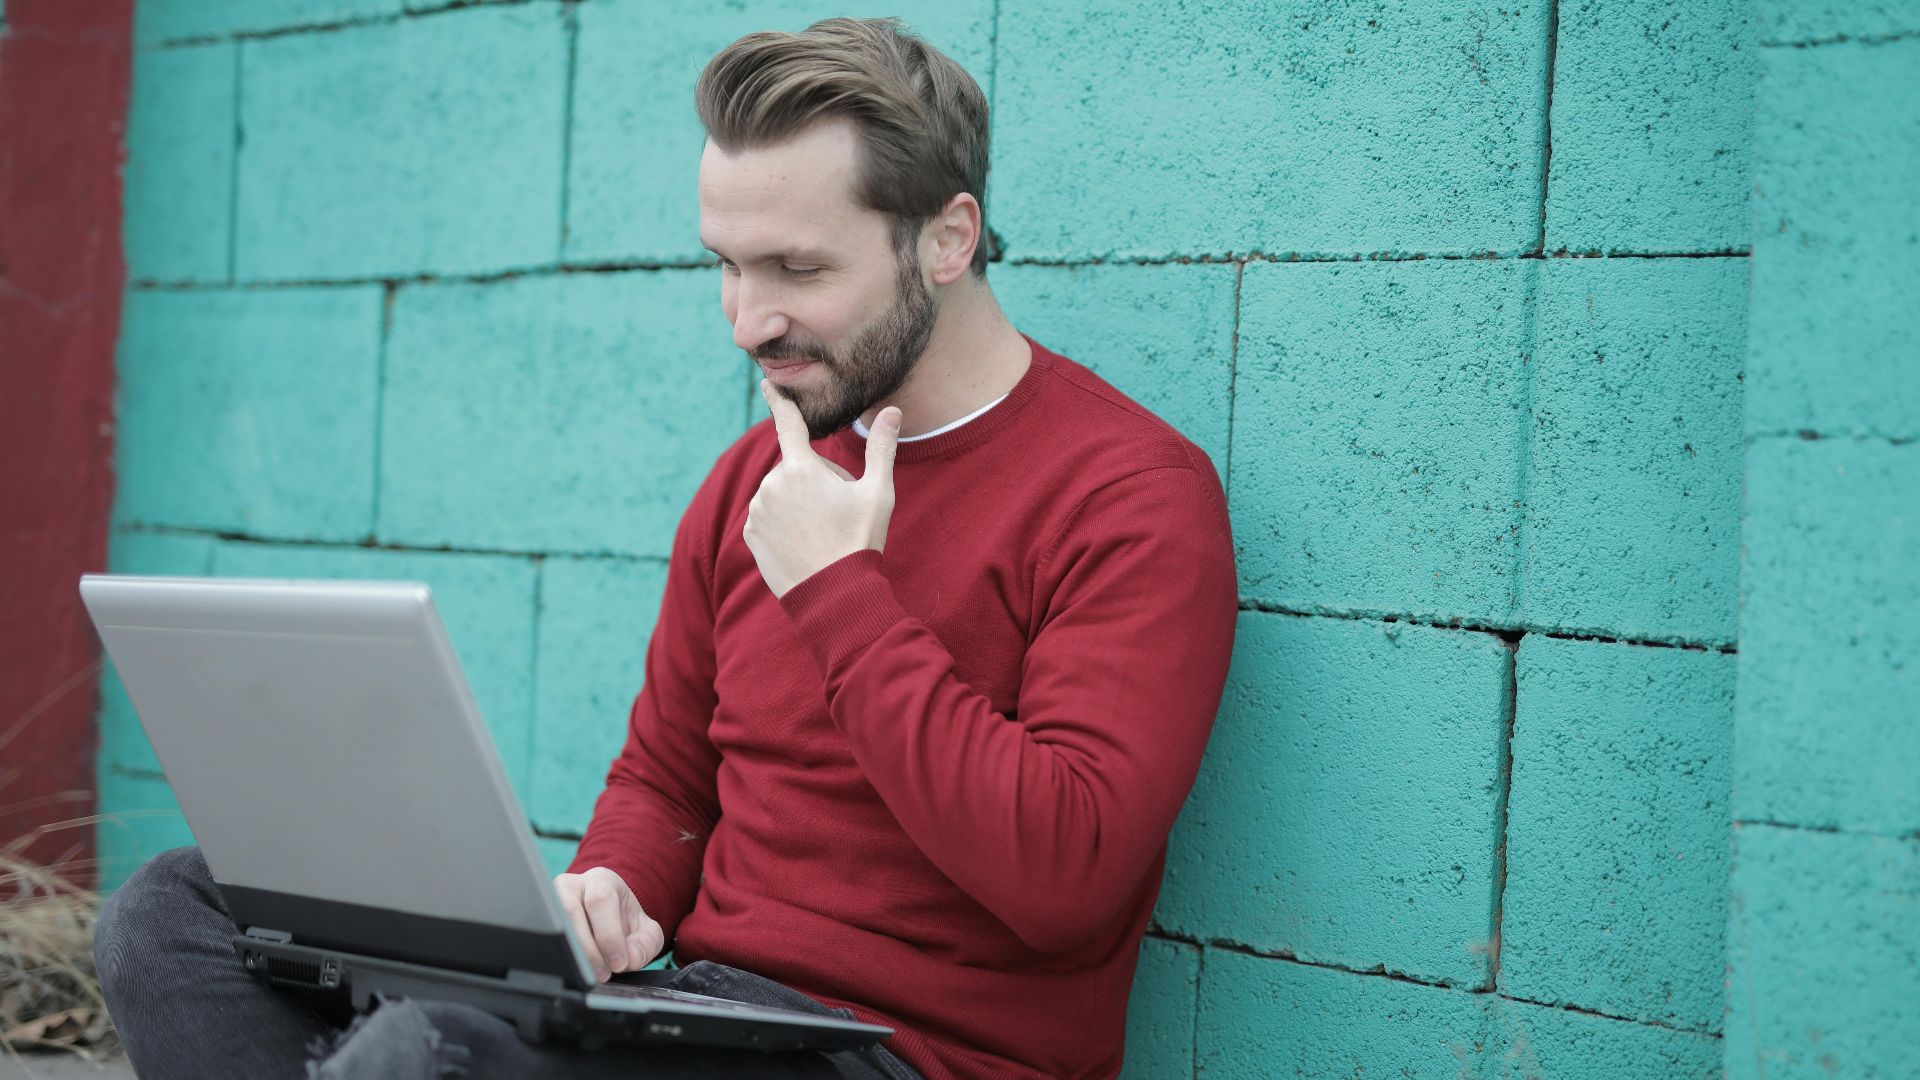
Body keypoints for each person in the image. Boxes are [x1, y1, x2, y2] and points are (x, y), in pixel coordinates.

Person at [93, 16, 1237, 1080]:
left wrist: (840, 592)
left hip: (899, 1056)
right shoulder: (753, 481)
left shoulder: (1129, 493)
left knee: (424, 1056)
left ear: (947, 238)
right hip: (695, 1011)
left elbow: (1066, 879)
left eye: (798, 270)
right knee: (175, 912)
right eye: (726, 265)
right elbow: (669, 776)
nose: (748, 319)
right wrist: (614, 885)